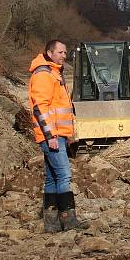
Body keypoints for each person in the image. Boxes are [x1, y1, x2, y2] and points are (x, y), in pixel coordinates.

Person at [28, 40, 88, 232]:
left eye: (65, 52)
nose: (64, 55)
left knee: (52, 178)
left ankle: (52, 224)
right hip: (52, 136)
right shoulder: (44, 75)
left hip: (57, 135)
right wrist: (50, 136)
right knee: (64, 176)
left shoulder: (53, 73)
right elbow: (40, 108)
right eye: (60, 52)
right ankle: (69, 221)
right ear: (49, 53)